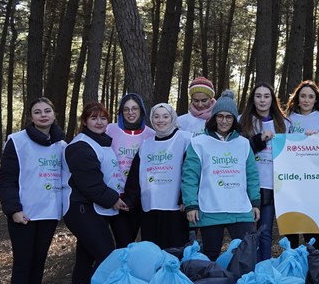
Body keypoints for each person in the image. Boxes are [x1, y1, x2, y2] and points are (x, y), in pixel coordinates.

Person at [0, 97, 67, 284]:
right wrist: (13, 210)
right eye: (37, 112)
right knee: (23, 264)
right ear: (31, 117)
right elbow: (6, 179)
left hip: (49, 215)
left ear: (54, 114)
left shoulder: (62, 145)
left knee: (38, 264)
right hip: (23, 215)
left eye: (47, 111)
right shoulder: (17, 141)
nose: (43, 115)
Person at [182, 91, 261, 261]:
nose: (224, 121)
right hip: (210, 209)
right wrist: (191, 204)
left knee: (246, 254)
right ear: (213, 118)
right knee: (210, 255)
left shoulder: (243, 144)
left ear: (234, 119)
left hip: (240, 209)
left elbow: (252, 175)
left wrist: (255, 202)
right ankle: (211, 280)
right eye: (220, 116)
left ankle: (243, 279)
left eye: (229, 117)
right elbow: (189, 176)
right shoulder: (198, 143)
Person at [63, 102, 129, 284]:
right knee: (106, 255)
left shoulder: (103, 142)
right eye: (93, 118)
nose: (99, 122)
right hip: (81, 208)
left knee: (85, 257)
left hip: (95, 208)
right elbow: (89, 183)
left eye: (103, 118)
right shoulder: (80, 146)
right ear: (84, 121)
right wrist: (113, 200)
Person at [123, 103, 193, 250]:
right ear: (151, 119)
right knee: (152, 250)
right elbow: (135, 175)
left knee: (175, 250)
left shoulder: (186, 139)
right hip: (151, 206)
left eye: (165, 116)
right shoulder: (146, 145)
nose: (160, 120)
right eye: (156, 116)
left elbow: (191, 172)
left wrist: (186, 198)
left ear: (172, 118)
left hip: (176, 208)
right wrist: (129, 200)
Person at [240, 83, 291, 258]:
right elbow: (238, 152)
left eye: (266, 96)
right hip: (246, 185)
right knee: (246, 232)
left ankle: (264, 267)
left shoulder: (284, 123)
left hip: (272, 186)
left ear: (272, 99)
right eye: (258, 96)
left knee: (265, 231)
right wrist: (259, 139)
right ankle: (245, 266)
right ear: (252, 99)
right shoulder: (242, 121)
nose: (262, 100)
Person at [106, 93, 155, 246]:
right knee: (122, 242)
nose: (130, 112)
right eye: (126, 109)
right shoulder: (110, 130)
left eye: (134, 108)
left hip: (140, 197)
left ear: (141, 111)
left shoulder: (151, 134)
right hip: (116, 195)